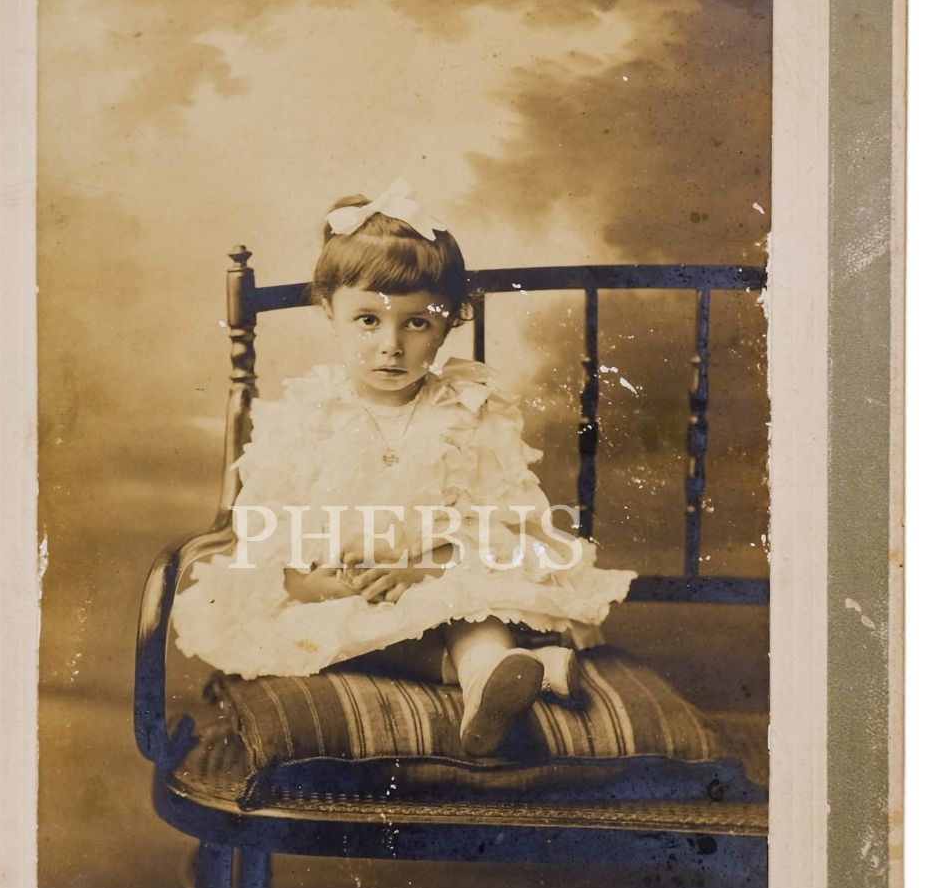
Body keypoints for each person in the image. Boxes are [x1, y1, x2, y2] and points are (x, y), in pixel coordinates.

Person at [172, 177, 636, 757]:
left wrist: (422, 572)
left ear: (449, 322)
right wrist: (307, 583)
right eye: (368, 320)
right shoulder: (305, 414)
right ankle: (515, 673)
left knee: (471, 612)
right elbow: (268, 527)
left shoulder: (468, 412)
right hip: (335, 592)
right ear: (329, 311)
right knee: (312, 632)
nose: (391, 344)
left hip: (443, 583)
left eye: (417, 323)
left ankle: (488, 676)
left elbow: (500, 528)